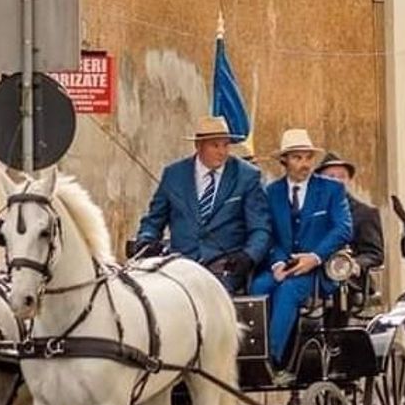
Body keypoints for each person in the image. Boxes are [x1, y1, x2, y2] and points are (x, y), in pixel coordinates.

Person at [251, 129, 353, 379]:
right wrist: (276, 262)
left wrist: (314, 257)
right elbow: (268, 232)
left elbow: (343, 228)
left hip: (318, 270)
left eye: (308, 158)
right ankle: (247, 356)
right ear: (284, 160)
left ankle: (270, 361)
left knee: (288, 291)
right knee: (256, 288)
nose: (305, 164)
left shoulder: (331, 190)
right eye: (297, 158)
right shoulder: (271, 192)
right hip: (283, 263)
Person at [135, 115, 270, 294]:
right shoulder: (173, 175)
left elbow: (261, 228)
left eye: (226, 145)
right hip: (179, 265)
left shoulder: (247, 176)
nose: (222, 152)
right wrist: (146, 240)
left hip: (224, 267)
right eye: (215, 145)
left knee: (208, 299)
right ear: (198, 146)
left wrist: (248, 256)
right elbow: (154, 220)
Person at [315, 152, 384, 273]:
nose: (337, 182)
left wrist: (355, 264)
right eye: (331, 177)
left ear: (349, 181)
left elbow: (374, 254)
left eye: (342, 176)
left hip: (350, 283)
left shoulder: (365, 213)